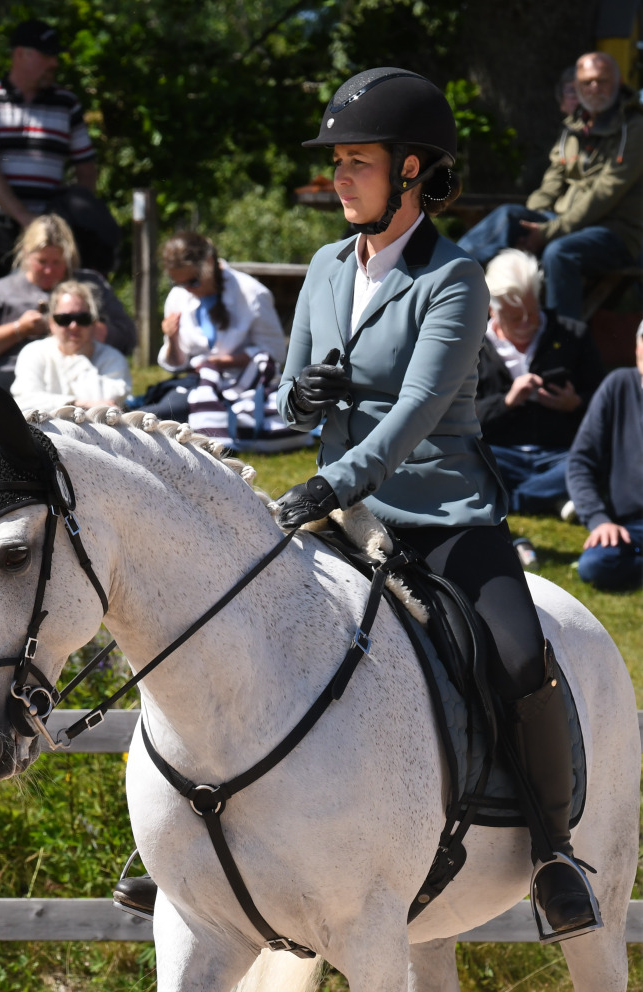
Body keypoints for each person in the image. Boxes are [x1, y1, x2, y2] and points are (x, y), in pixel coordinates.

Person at [265, 66, 600, 939]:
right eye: (335, 162)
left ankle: (554, 854)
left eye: (356, 162)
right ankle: (188, 832)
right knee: (236, 615)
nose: (338, 178)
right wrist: (301, 399)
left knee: (522, 656)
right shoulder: (325, 266)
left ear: (412, 170)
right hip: (340, 513)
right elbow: (288, 391)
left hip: (440, 515)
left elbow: (415, 418)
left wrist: (331, 482)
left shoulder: (456, 279)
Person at [456, 52, 643, 320]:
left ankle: (562, 345)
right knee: (511, 216)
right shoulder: (573, 128)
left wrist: (550, 231)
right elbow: (551, 184)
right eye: (587, 82)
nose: (594, 88)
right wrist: (533, 220)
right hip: (565, 223)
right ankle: (443, 276)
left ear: (619, 81)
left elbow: (605, 194)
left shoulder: (635, 129)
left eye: (602, 81)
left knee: (559, 253)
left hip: (614, 233)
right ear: (577, 86)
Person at [0, 19, 100, 303]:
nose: (54, 64)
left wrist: (74, 218)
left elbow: (86, 168)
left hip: (48, 237)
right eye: (46, 55)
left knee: (49, 313)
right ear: (20, 54)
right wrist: (26, 219)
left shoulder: (67, 104)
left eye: (55, 56)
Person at [475, 249, 603, 512]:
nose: (525, 323)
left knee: (598, 459)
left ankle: (513, 499)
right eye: (514, 316)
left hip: (559, 452)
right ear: (492, 309)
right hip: (500, 452)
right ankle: (551, 497)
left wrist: (575, 403)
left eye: (531, 313)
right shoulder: (473, 346)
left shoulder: (572, 334)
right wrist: (507, 402)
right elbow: (461, 416)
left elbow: (604, 401)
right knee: (467, 461)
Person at [0, 213, 134, 403]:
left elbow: (128, 336)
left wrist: (88, 327)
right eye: (42, 262)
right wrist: (19, 329)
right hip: (11, 374)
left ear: (69, 258)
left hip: (87, 371)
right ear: (26, 254)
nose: (49, 270)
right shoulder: (1, 291)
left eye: (57, 262)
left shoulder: (92, 285)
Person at [150, 231, 286, 426]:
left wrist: (220, 362)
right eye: (178, 283)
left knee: (159, 418)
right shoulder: (177, 296)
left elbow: (275, 353)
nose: (187, 289)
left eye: (193, 281)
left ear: (209, 262)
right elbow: (176, 364)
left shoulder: (253, 293)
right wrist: (171, 338)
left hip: (244, 386)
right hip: (198, 385)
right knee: (151, 414)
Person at [564, 319, 643, 591]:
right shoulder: (619, 385)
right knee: (595, 566)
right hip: (629, 526)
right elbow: (579, 463)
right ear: (637, 348)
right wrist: (599, 519)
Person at [11, 280, 130, 415]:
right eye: (64, 319)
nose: (74, 326)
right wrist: (76, 404)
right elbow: (24, 401)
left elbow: (108, 408)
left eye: (82, 318)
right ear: (51, 323)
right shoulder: (33, 353)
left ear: (93, 322)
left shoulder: (113, 359)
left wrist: (78, 359)